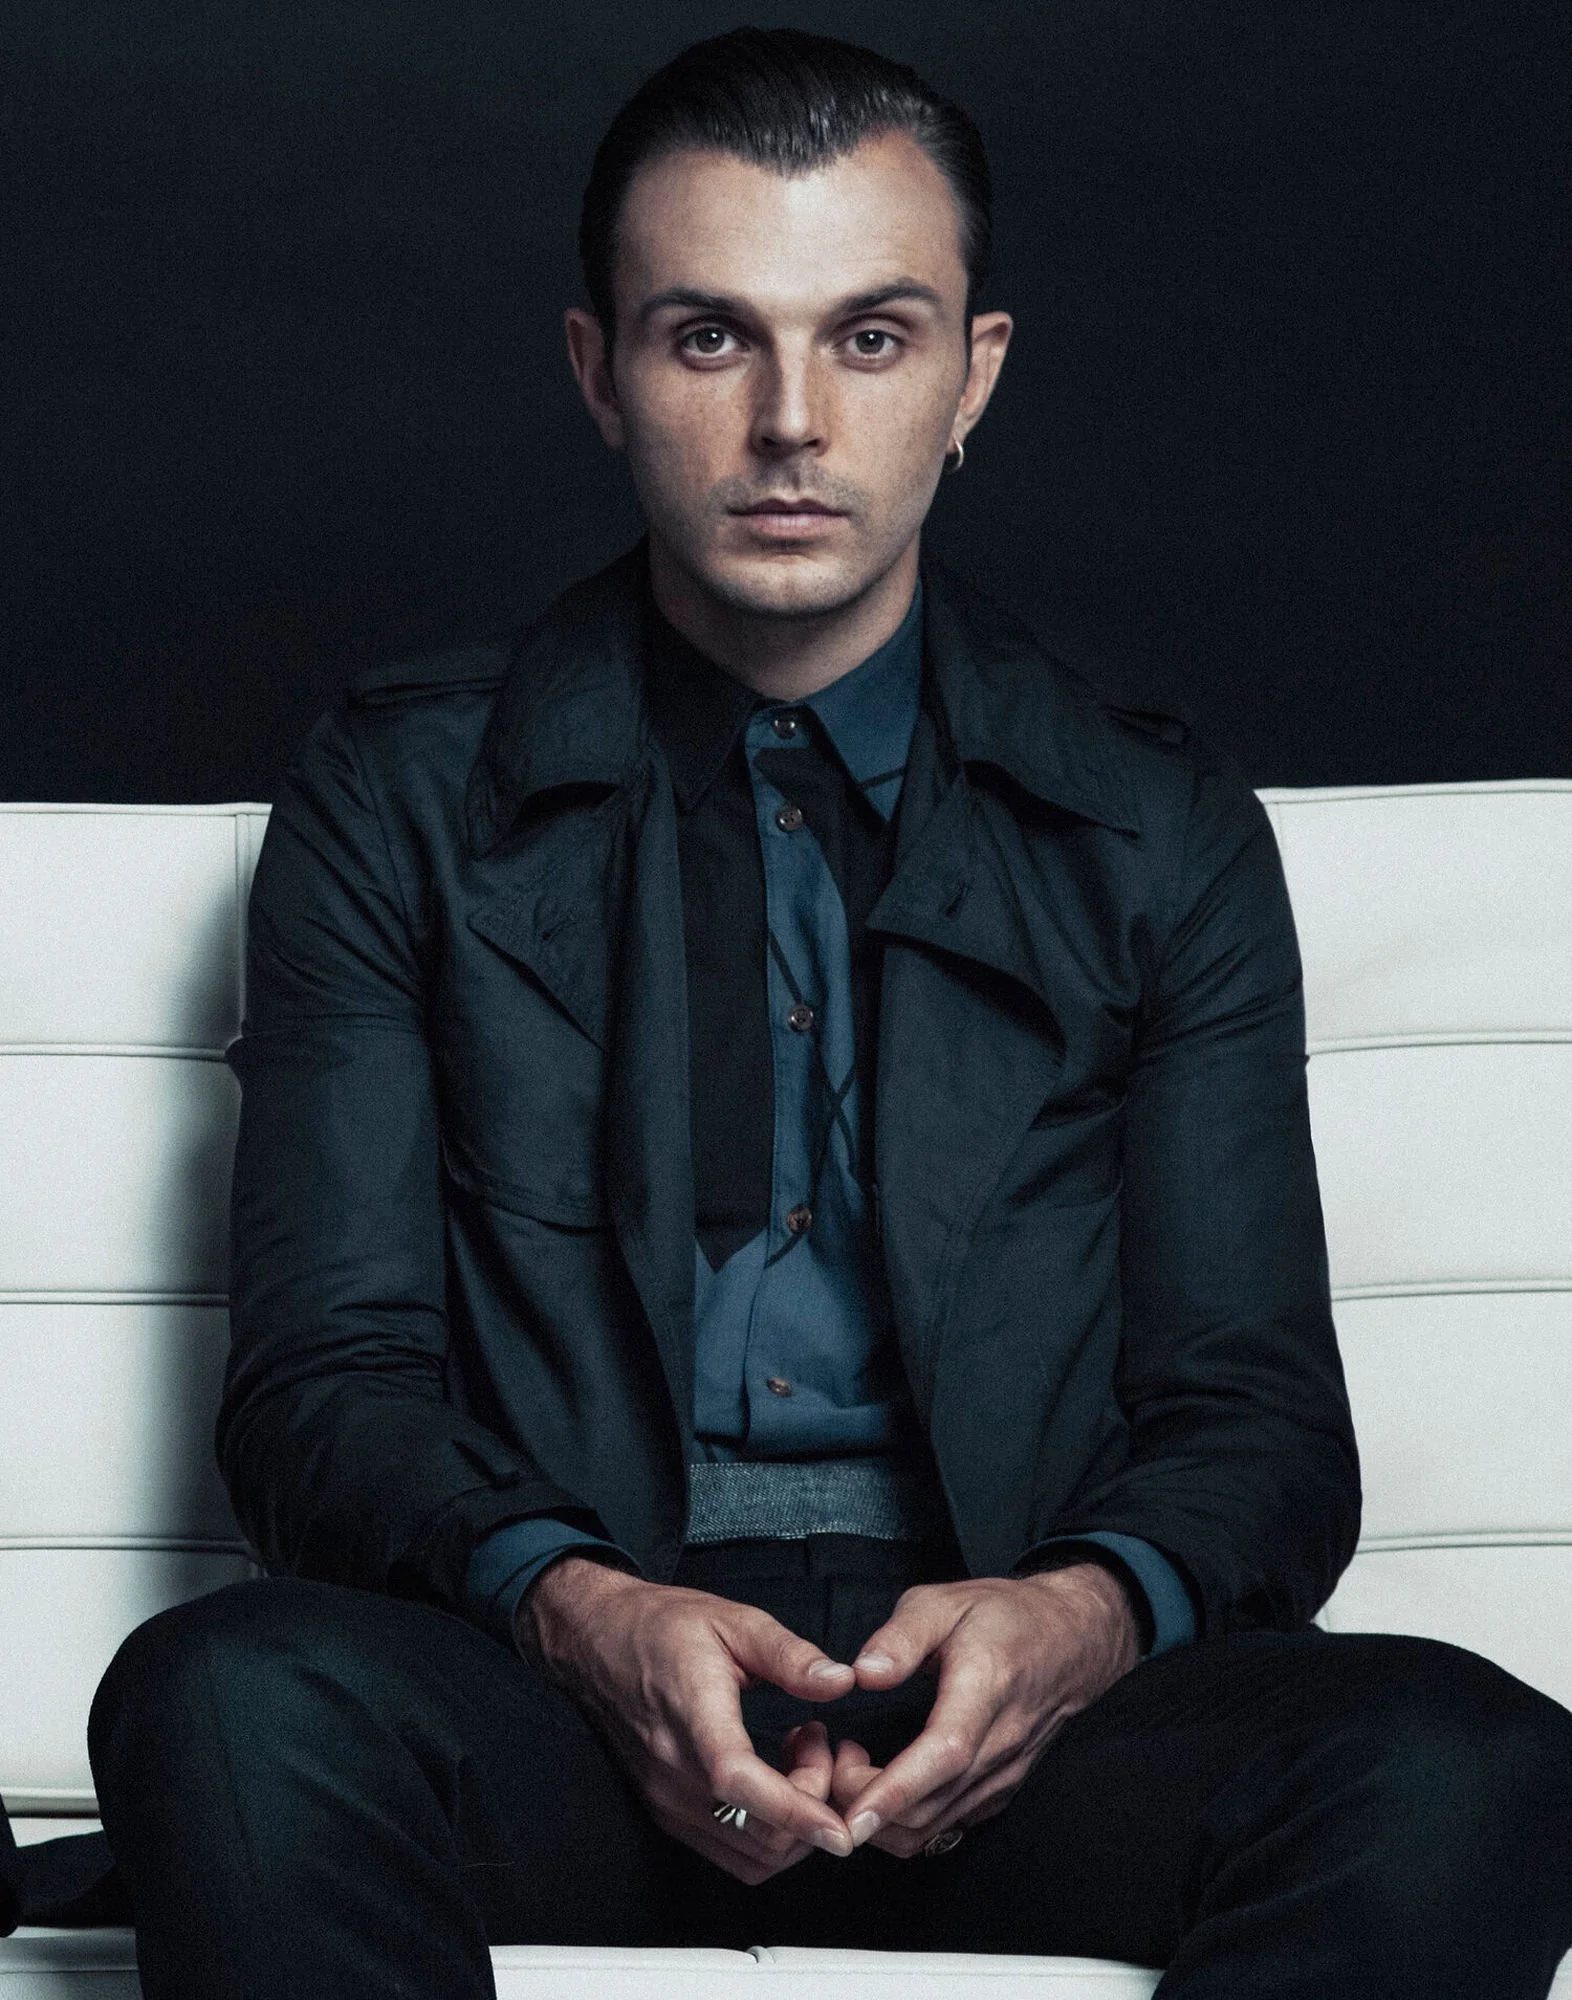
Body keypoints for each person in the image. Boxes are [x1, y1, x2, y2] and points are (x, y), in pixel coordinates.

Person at [82, 26, 1572, 1999]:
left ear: (976, 376)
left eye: (871, 337)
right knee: (222, 1695)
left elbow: (1259, 1428)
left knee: (1471, 1760)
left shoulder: (1154, 820)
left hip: (1009, 1717)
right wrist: (582, 1613)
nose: (793, 419)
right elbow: (319, 1394)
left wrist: (1085, 1618)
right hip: (564, 1686)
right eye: (713, 338)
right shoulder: (399, 799)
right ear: (603, 371)